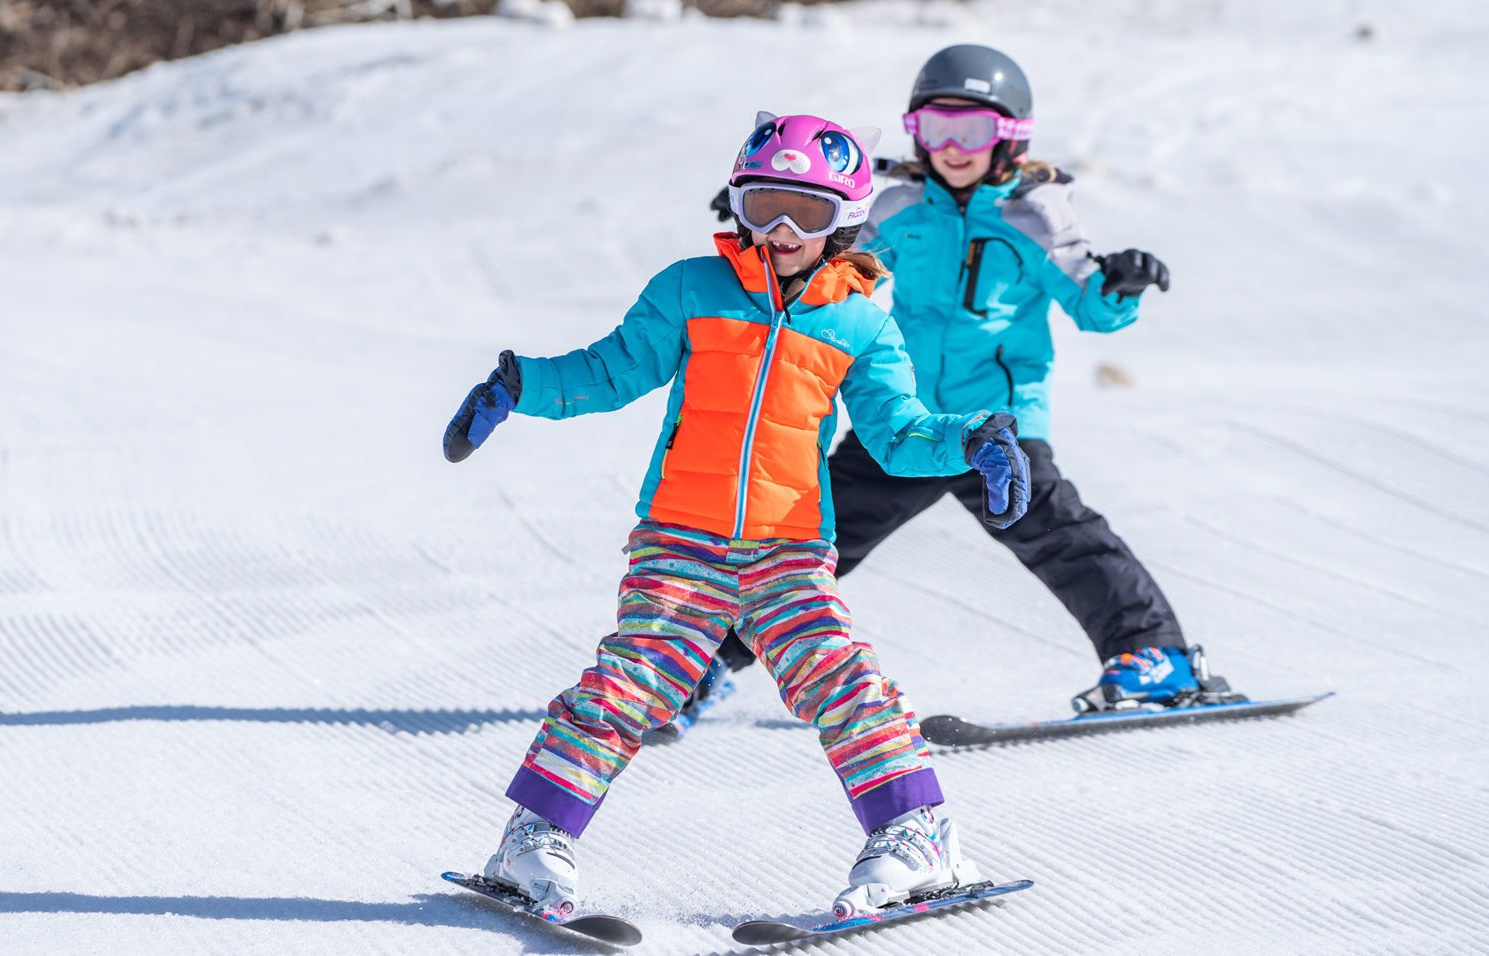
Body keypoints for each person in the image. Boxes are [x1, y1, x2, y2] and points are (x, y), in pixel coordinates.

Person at [441, 113, 1031, 918]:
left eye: (810, 213)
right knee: (634, 681)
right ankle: (534, 836)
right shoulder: (691, 289)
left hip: (789, 547)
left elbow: (897, 432)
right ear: (738, 206)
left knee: (840, 676)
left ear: (846, 220)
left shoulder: (861, 319)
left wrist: (972, 438)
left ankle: (916, 834)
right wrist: (524, 386)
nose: (784, 230)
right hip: (679, 536)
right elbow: (613, 370)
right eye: (764, 207)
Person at [681, 44, 1191, 731]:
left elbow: (1089, 301)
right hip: (905, 424)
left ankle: (1153, 658)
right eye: (935, 128)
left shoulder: (1034, 216)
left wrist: (1118, 282)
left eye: (972, 131)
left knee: (1063, 538)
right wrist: (778, 213)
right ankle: (702, 665)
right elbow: (831, 256)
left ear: (1009, 137)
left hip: (998, 426)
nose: (952, 147)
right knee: (809, 539)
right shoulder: (897, 210)